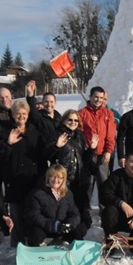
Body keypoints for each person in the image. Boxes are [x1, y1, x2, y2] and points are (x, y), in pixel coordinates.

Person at [44, 109, 99, 239]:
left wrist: (91, 149)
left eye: (75, 120)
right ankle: (60, 235)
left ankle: (75, 236)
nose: (73, 122)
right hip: (63, 179)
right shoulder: (56, 134)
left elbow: (83, 158)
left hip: (79, 179)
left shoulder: (79, 135)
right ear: (63, 120)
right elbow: (45, 154)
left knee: (80, 211)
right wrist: (56, 146)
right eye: (70, 120)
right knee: (64, 210)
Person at [0, 99, 41, 247]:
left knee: (31, 211)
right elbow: (1, 157)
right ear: (12, 114)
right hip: (14, 178)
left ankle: (31, 241)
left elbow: (40, 155)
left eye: (24, 114)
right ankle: (16, 243)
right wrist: (8, 144)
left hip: (32, 178)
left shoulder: (34, 132)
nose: (21, 116)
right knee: (16, 213)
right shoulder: (5, 132)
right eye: (18, 114)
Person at [24, 163, 82, 246]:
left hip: (62, 227)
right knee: (36, 233)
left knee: (80, 229)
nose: (56, 180)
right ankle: (38, 249)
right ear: (48, 177)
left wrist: (69, 224)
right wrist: (53, 225)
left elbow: (74, 213)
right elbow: (33, 216)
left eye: (59, 177)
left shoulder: (68, 194)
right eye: (53, 176)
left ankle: (66, 243)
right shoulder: (37, 194)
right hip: (45, 227)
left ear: (63, 179)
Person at [100, 153, 133, 238]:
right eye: (132, 162)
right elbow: (104, 194)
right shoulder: (116, 176)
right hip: (118, 217)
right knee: (109, 211)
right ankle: (111, 242)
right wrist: (121, 203)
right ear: (126, 162)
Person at [78, 86, 117, 198]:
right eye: (96, 97)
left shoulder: (108, 114)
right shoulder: (82, 113)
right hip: (87, 156)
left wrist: (108, 151)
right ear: (90, 97)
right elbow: (78, 134)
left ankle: (104, 212)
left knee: (104, 185)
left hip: (102, 155)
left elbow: (110, 134)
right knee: (87, 185)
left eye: (101, 98)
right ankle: (85, 212)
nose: (98, 100)